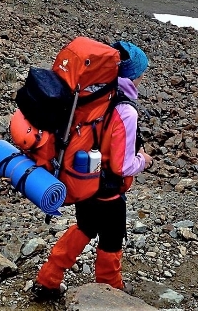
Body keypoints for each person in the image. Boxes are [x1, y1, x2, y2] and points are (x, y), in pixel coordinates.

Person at [32, 41, 153, 299]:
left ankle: (48, 279)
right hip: (107, 191)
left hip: (82, 180)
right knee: (111, 239)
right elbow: (122, 166)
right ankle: (111, 291)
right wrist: (143, 160)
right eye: (142, 73)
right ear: (135, 75)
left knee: (84, 227)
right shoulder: (125, 110)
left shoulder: (90, 95)